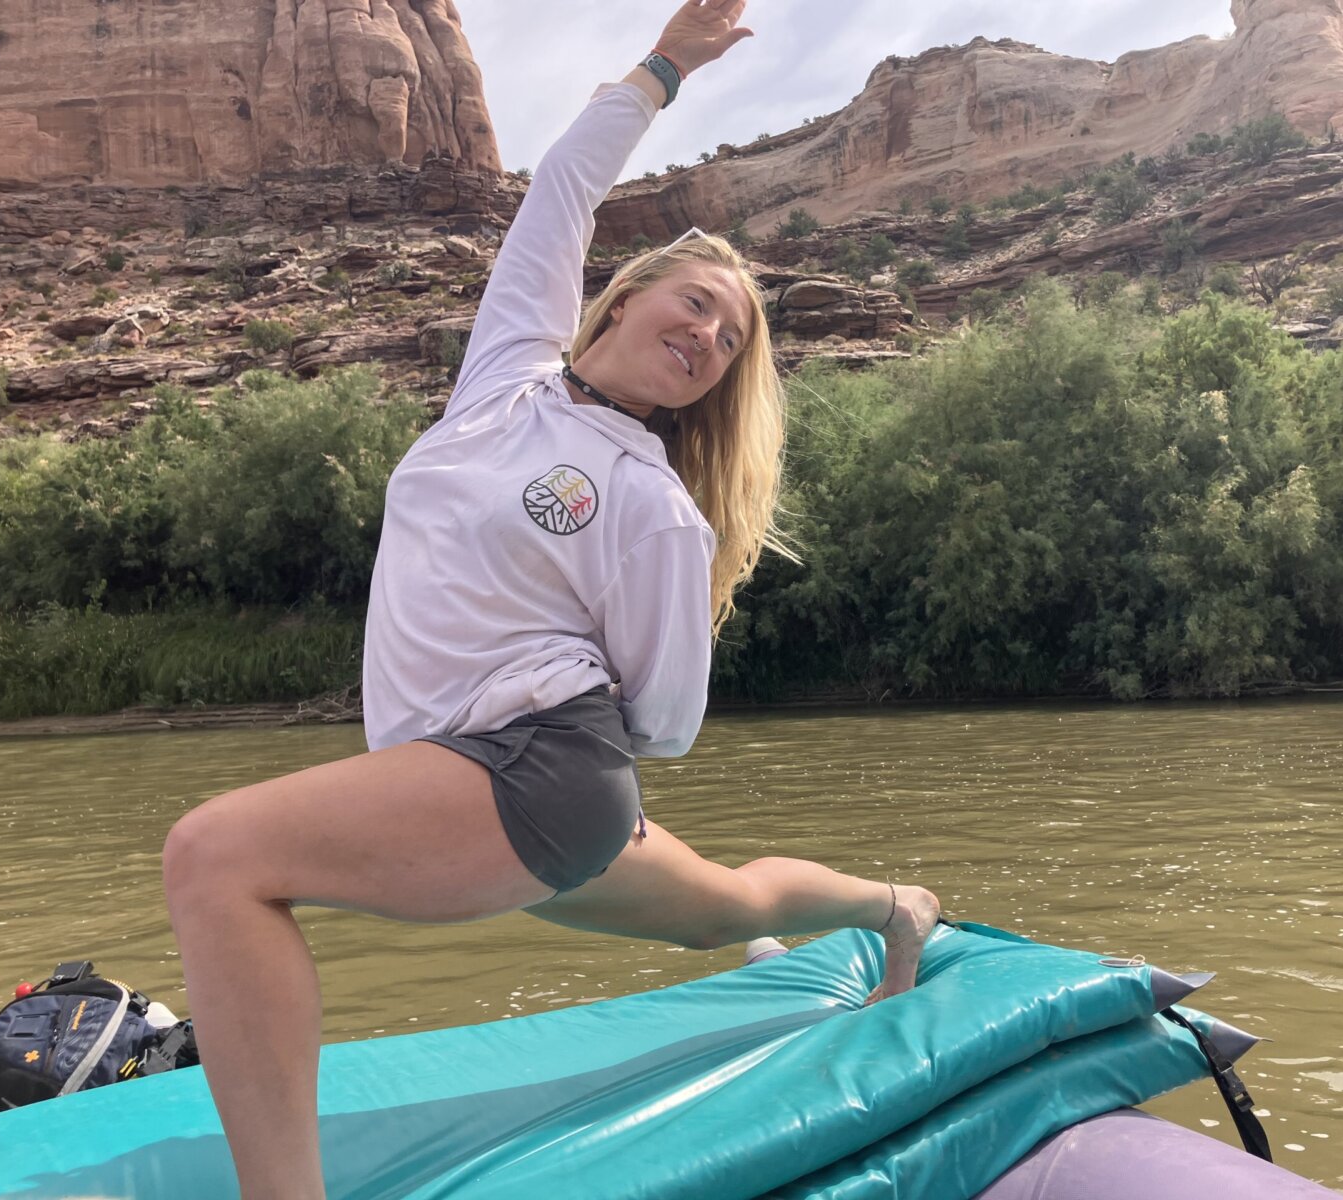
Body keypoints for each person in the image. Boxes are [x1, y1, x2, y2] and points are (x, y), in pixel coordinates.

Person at [161, 2, 939, 1196]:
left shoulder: (654, 507)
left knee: (214, 857)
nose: (705, 335)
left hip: (533, 767)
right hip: (503, 778)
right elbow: (561, 189)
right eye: (692, 304)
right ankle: (898, 909)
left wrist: (551, 718)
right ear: (621, 300)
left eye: (727, 339)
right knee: (719, 909)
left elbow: (665, 724)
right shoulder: (505, 376)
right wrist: (666, 67)